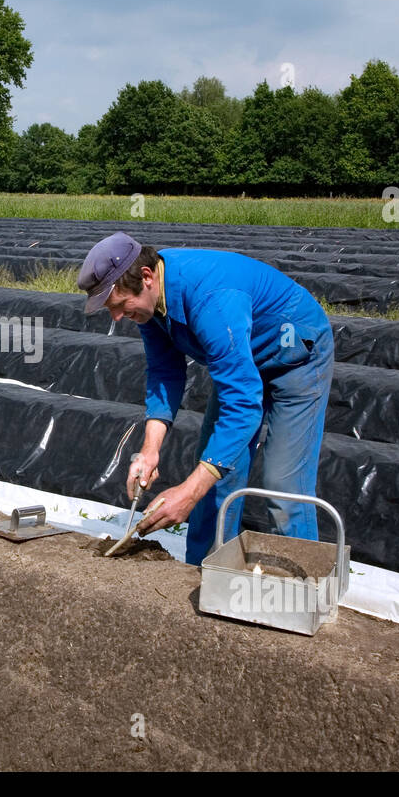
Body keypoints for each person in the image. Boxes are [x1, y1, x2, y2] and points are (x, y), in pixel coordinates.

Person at [77, 232, 334, 564]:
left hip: (296, 355)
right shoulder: (149, 303)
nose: (116, 317)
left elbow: (243, 402)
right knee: (215, 470)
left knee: (282, 485)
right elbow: (164, 372)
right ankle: (205, 574)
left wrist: (187, 493)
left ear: (146, 277)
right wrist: (150, 450)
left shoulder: (211, 299)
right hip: (243, 357)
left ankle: (304, 588)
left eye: (119, 305)